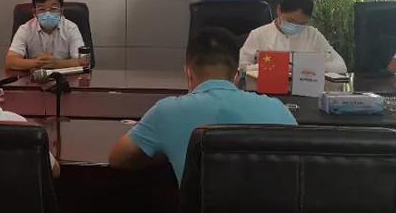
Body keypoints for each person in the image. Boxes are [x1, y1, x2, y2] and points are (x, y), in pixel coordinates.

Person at [109, 27, 296, 183]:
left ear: (188, 73)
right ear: (237, 76)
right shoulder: (277, 109)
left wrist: (167, 148)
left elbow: (118, 158)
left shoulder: (166, 112)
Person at [239, 0, 347, 74]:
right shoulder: (258, 35)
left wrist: (310, 67)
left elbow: (341, 66)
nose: (296, 26)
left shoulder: (313, 35)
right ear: (279, 10)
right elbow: (242, 68)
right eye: (291, 21)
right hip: (266, 92)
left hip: (305, 91)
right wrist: (271, 66)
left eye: (302, 24)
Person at [5, 0, 84, 71]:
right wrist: (38, 63)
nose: (48, 14)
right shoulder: (25, 29)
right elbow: (10, 61)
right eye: (42, 9)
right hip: (34, 77)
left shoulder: (71, 28)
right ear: (34, 13)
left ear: (61, 11)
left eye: (53, 9)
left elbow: (82, 61)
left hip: (64, 77)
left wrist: (56, 63)